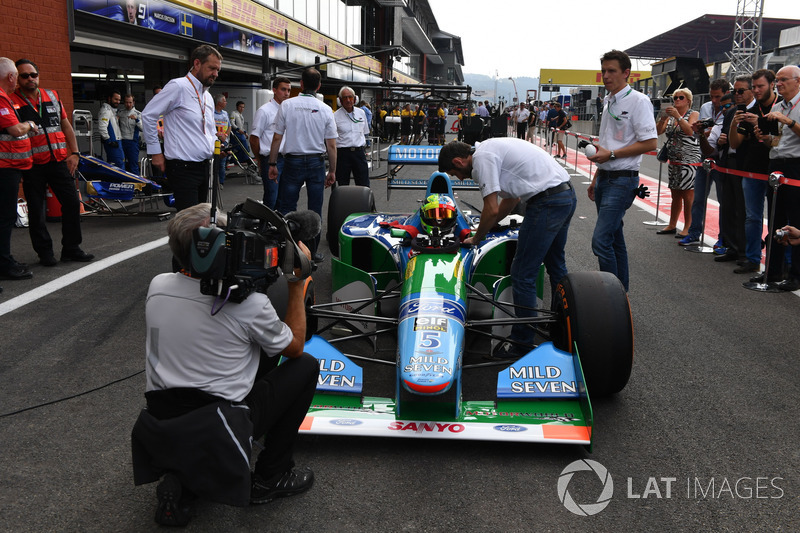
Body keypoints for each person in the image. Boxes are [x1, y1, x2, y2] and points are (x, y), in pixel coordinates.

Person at [131, 203, 319, 526]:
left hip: (164, 420)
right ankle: (270, 476)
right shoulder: (252, 306)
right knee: (305, 367)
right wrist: (296, 285)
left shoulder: (157, 288)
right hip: (219, 425)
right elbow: (295, 346)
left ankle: (186, 485)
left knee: (245, 353)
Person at [438, 138, 576, 360]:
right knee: (555, 264)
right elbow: (511, 200)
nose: (460, 178)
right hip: (565, 195)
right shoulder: (489, 148)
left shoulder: (482, 159)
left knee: (522, 273)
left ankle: (521, 346)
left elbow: (490, 209)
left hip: (547, 203)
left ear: (458, 161)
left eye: (456, 173)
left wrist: (476, 238)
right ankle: (563, 324)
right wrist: (490, 225)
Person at [11, 58, 94, 266]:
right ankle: (45, 252)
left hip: (58, 161)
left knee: (72, 203)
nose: (30, 78)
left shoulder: (53, 96)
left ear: (38, 76)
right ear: (17, 79)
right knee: (37, 211)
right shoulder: (12, 101)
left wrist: (75, 152)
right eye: (24, 75)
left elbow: (66, 126)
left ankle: (72, 249)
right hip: (32, 165)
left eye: (33, 75)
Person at [587, 50, 657, 291]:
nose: (606, 76)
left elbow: (650, 143)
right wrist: (597, 176)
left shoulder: (639, 101)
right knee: (615, 239)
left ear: (626, 73)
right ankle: (621, 294)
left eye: (611, 71)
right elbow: (607, 143)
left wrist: (612, 155)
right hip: (606, 177)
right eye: (603, 71)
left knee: (601, 240)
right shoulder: (609, 101)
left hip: (623, 180)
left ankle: (611, 298)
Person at [268, 67, 337, 262]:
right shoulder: (325, 109)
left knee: (286, 207)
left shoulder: (287, 105)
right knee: (315, 210)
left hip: (292, 162)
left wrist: (272, 163)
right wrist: (332, 170)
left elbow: (276, 137)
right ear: (319, 86)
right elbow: (331, 144)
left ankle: (284, 252)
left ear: (302, 84)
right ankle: (312, 253)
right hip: (316, 163)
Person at [142, 45, 221, 212]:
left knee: (200, 219)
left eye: (218, 70)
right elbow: (148, 115)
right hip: (183, 168)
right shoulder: (178, 86)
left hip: (204, 166)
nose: (215, 74)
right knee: (188, 222)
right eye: (212, 68)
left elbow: (210, 129)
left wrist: (217, 146)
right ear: (197, 64)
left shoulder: (207, 96)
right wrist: (156, 152)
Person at [729, 69, 779, 274]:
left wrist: (760, 124)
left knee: (777, 218)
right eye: (754, 87)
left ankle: (779, 263)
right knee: (752, 217)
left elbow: (783, 143)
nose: (757, 90)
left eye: (761, 86)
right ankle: (752, 258)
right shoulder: (751, 109)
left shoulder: (782, 108)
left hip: (778, 171)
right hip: (752, 171)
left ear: (772, 85)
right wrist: (735, 123)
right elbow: (735, 142)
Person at [679, 78, 730, 247]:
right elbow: (698, 133)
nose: (714, 100)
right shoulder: (705, 107)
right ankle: (694, 233)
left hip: (722, 159)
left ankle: (723, 237)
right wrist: (700, 131)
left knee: (724, 201)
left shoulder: (729, 109)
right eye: (712, 96)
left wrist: (707, 133)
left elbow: (719, 135)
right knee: (699, 198)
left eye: (718, 97)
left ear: (726, 94)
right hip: (704, 158)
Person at [762, 65, 800, 291]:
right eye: (777, 80)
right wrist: (765, 137)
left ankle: (795, 274)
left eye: (784, 80)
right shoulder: (777, 106)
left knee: (795, 221)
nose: (779, 84)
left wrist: (788, 122)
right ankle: (772, 270)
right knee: (774, 218)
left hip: (796, 165)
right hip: (776, 162)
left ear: (798, 81)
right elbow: (776, 140)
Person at [0, 57, 36, 286]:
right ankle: (4, 264)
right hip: (4, 168)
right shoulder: (2, 99)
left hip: (9, 168)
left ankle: (5, 260)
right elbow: (14, 129)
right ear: (11, 77)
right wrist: (31, 125)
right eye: (19, 76)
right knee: (4, 218)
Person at [654, 88, 699, 236]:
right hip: (674, 160)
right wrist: (662, 118)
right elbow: (657, 132)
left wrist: (678, 117)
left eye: (680, 97)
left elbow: (690, 131)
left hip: (689, 160)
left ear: (688, 100)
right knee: (675, 195)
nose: (677, 100)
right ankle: (672, 224)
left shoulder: (693, 114)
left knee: (688, 195)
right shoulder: (670, 116)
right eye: (675, 98)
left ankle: (688, 227)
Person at [250, 76, 291, 209]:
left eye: (289, 90)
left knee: (284, 197)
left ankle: (280, 227)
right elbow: (254, 139)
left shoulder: (288, 110)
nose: (286, 93)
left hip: (288, 159)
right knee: (271, 197)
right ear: (274, 90)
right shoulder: (264, 111)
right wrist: (260, 159)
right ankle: (266, 226)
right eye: (283, 90)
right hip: (270, 159)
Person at [334, 86, 370, 187]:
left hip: (359, 153)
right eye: (345, 98)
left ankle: (363, 203)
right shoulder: (335, 116)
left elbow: (365, 131)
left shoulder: (361, 113)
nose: (348, 100)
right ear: (340, 100)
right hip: (342, 154)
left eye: (350, 97)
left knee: (364, 185)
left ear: (355, 99)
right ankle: (342, 203)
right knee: (342, 185)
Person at [117, 94, 143, 175]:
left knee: (133, 165)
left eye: (130, 102)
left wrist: (137, 120)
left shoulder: (138, 114)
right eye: (126, 102)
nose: (128, 104)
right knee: (120, 164)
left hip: (132, 142)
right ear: (124, 103)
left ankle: (136, 185)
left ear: (133, 103)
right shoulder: (120, 113)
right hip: (121, 141)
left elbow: (142, 128)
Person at [99, 90, 124, 168]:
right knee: (118, 166)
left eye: (119, 100)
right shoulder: (106, 110)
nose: (118, 102)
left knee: (118, 164)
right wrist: (109, 140)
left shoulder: (111, 110)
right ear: (109, 99)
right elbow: (102, 127)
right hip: (113, 142)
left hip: (116, 141)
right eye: (115, 99)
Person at [213, 94, 230, 187]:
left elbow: (229, 126)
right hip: (215, 141)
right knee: (214, 162)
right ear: (219, 102)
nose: (226, 103)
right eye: (224, 101)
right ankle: (213, 181)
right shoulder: (211, 113)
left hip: (224, 141)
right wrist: (219, 136)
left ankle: (221, 182)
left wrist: (225, 135)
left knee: (222, 164)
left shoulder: (225, 113)